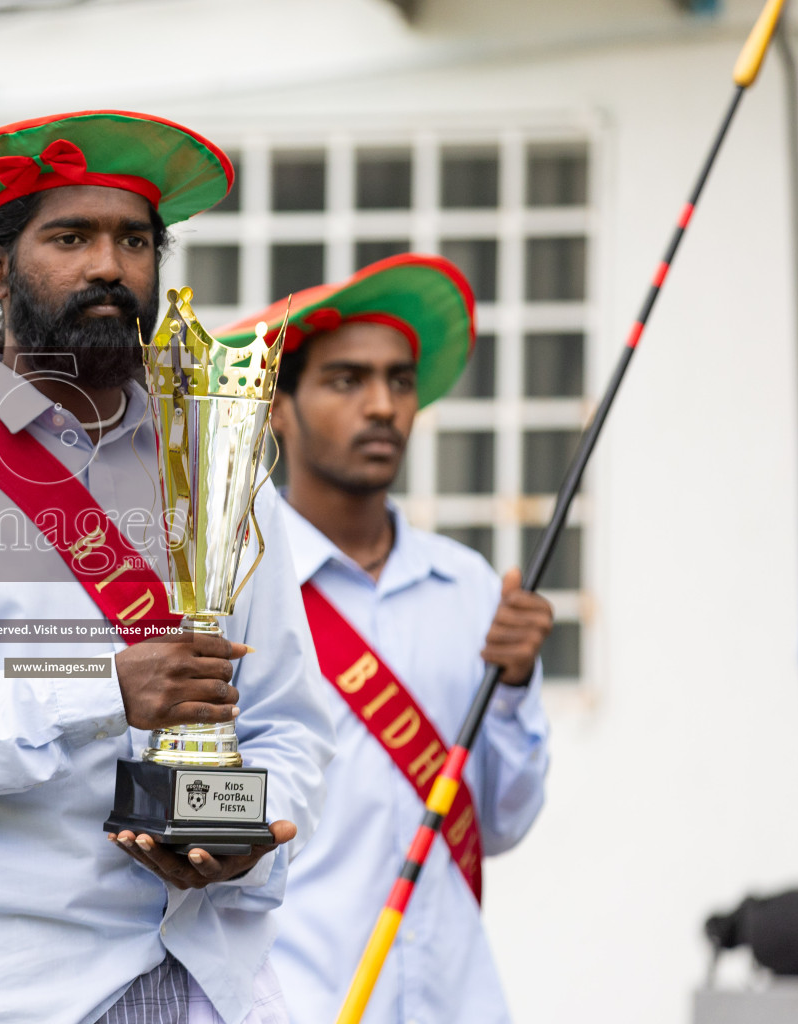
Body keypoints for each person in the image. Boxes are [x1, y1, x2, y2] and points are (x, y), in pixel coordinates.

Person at [0, 110, 336, 1024]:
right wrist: (100, 692)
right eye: (70, 237)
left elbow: (287, 722)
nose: (109, 268)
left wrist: (245, 836)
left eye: (134, 240)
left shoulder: (224, 471)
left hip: (211, 982)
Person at [213, 256, 552, 1024]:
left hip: (456, 1003)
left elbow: (501, 823)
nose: (383, 406)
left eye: (400, 381)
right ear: (278, 408)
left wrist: (519, 686)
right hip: (292, 1004)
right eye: (346, 380)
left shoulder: (468, 587)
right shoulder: (231, 591)